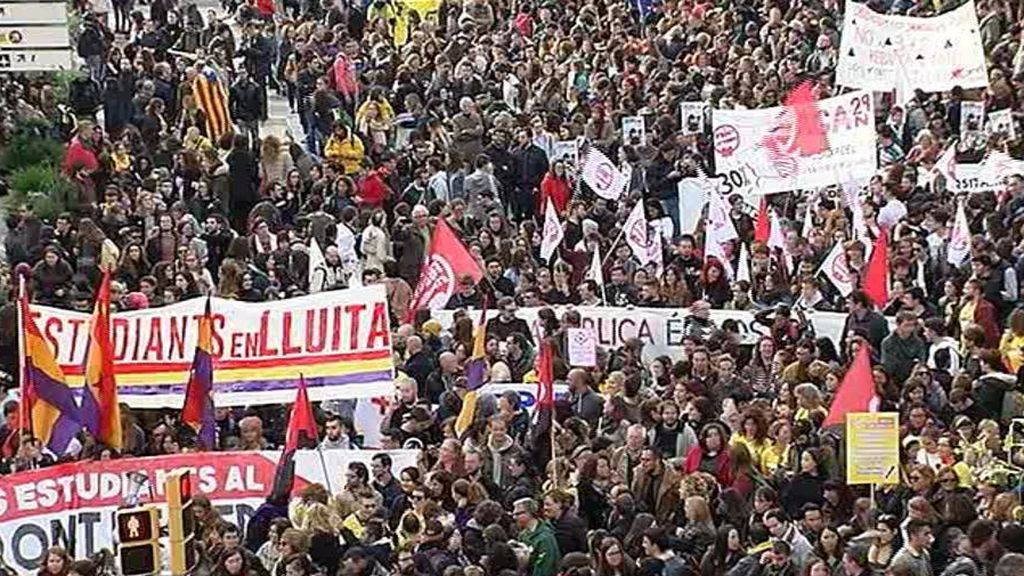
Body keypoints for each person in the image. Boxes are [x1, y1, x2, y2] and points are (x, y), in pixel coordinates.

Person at [513, 497, 560, 576]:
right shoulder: (522, 535)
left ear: (530, 513)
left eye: (518, 514)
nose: (514, 517)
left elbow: (545, 568)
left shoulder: (545, 538)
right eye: (514, 514)